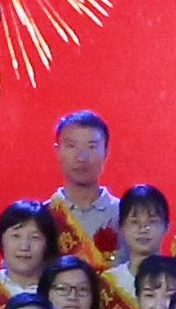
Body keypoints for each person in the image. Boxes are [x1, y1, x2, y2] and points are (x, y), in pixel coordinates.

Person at [44, 110, 125, 271]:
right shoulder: (43, 217)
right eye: (71, 146)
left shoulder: (125, 215)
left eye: (92, 146)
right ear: (57, 151)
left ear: (106, 152)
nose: (81, 157)